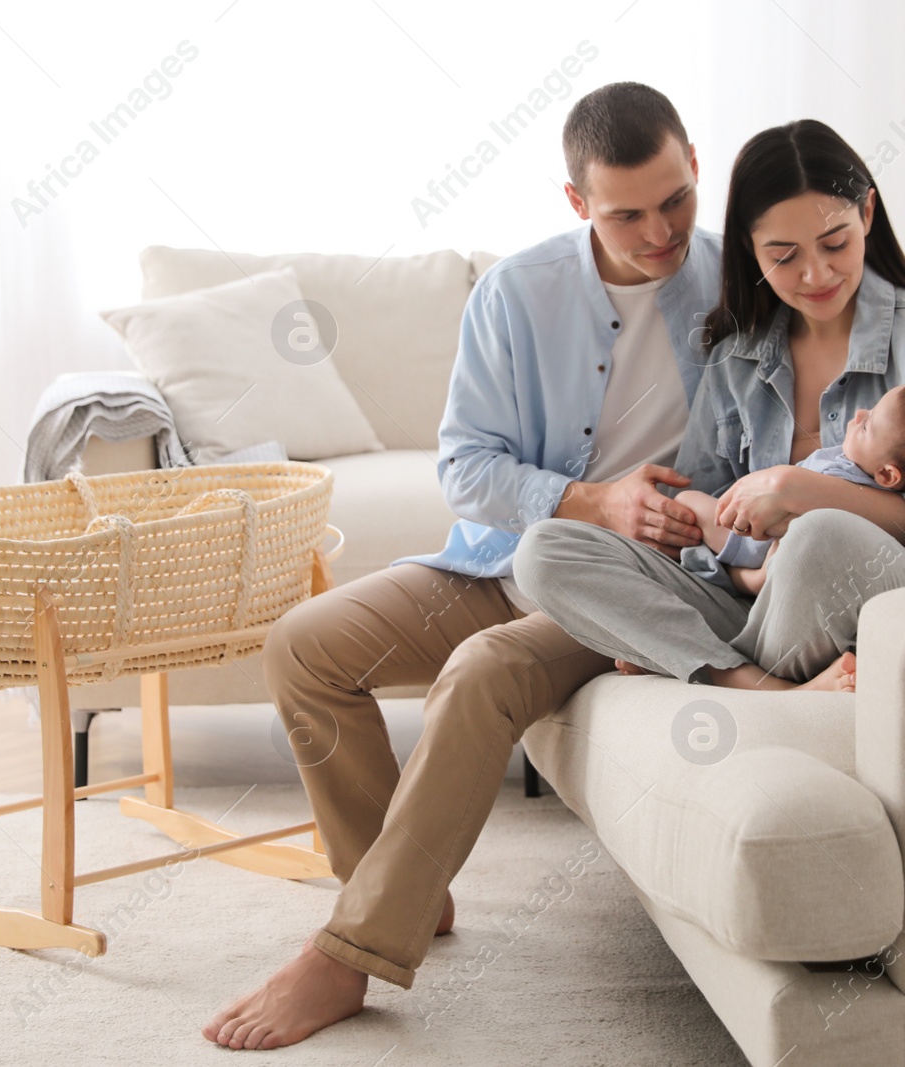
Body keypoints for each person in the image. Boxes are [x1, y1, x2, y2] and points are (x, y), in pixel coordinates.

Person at [202, 82, 723, 1051]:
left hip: (629, 587)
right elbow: (468, 470)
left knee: (479, 672)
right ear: (576, 204)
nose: (660, 231)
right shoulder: (518, 293)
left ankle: (352, 951)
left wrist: (673, 541)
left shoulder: (746, 288)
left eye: (676, 199)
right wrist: (591, 498)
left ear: (695, 161)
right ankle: (401, 888)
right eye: (627, 212)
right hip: (503, 556)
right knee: (305, 647)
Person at [514, 119, 905, 695]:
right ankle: (757, 684)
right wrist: (694, 537)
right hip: (755, 598)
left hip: (890, 600)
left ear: (867, 214)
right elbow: (702, 519)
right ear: (748, 246)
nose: (816, 274)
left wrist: (809, 492)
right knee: (544, 548)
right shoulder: (736, 355)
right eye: (784, 255)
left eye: (836, 243)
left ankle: (702, 664)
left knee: (820, 538)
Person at [678, 380, 905, 596]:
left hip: (748, 538)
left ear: (888, 475)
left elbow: (795, 530)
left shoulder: (842, 482)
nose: (860, 413)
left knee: (686, 501)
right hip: (761, 544)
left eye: (867, 426)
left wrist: (760, 574)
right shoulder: (883, 496)